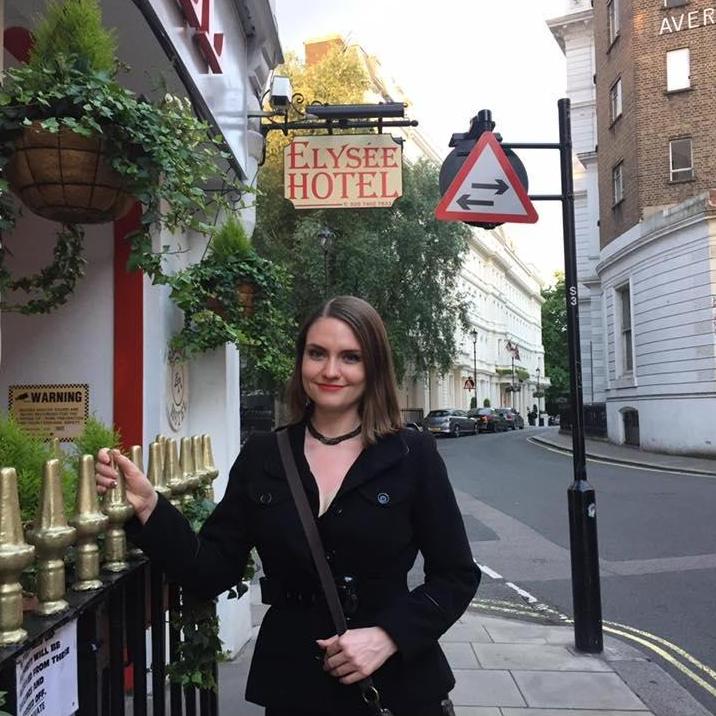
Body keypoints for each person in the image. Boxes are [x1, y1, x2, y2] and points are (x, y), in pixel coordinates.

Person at [96, 295, 480, 716]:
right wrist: (151, 506)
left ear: (373, 367)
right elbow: (210, 570)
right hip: (294, 687)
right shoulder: (265, 455)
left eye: (350, 357)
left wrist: (387, 636)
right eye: (318, 354)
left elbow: (456, 575)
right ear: (302, 362)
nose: (331, 370)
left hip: (397, 687)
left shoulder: (413, 453)